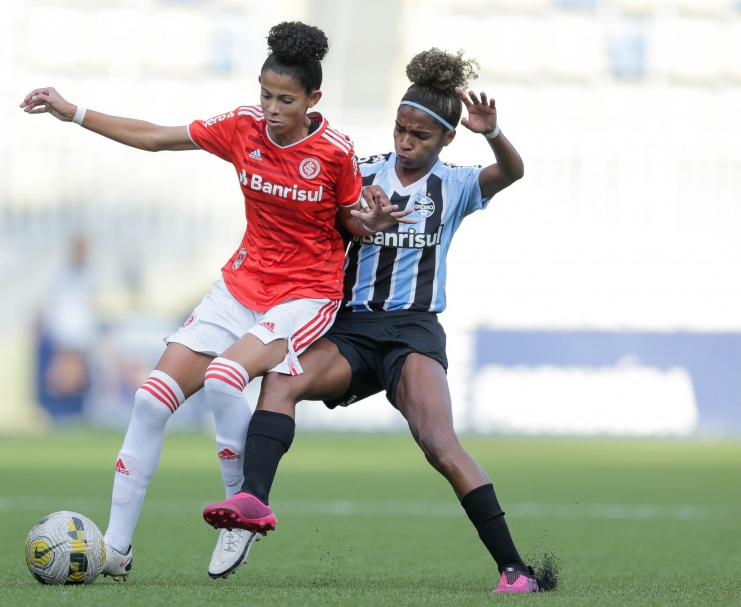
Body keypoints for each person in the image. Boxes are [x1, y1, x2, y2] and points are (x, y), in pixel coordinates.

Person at [20, 21, 406, 582]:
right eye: (265, 95)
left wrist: (368, 222)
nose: (271, 109)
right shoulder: (241, 127)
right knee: (151, 400)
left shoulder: (334, 152)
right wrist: (73, 111)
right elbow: (154, 137)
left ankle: (239, 513)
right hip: (240, 285)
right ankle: (117, 550)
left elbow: (349, 222)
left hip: (305, 292)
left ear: (312, 100)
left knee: (227, 378)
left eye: (285, 99)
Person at [203, 48, 557, 593]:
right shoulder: (361, 172)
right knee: (282, 378)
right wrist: (359, 221)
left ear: (445, 140)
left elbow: (512, 171)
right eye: (400, 129)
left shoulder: (456, 185)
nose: (406, 141)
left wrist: (492, 132)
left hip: (412, 332)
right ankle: (252, 503)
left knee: (438, 441)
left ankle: (515, 570)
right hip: (350, 329)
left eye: (419, 135)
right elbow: (331, 224)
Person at [35, 234, 99, 420]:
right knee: (62, 373)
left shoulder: (90, 274)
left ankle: (74, 413)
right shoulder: (61, 273)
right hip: (64, 329)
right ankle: (59, 413)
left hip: (80, 331)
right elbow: (50, 300)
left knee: (76, 373)